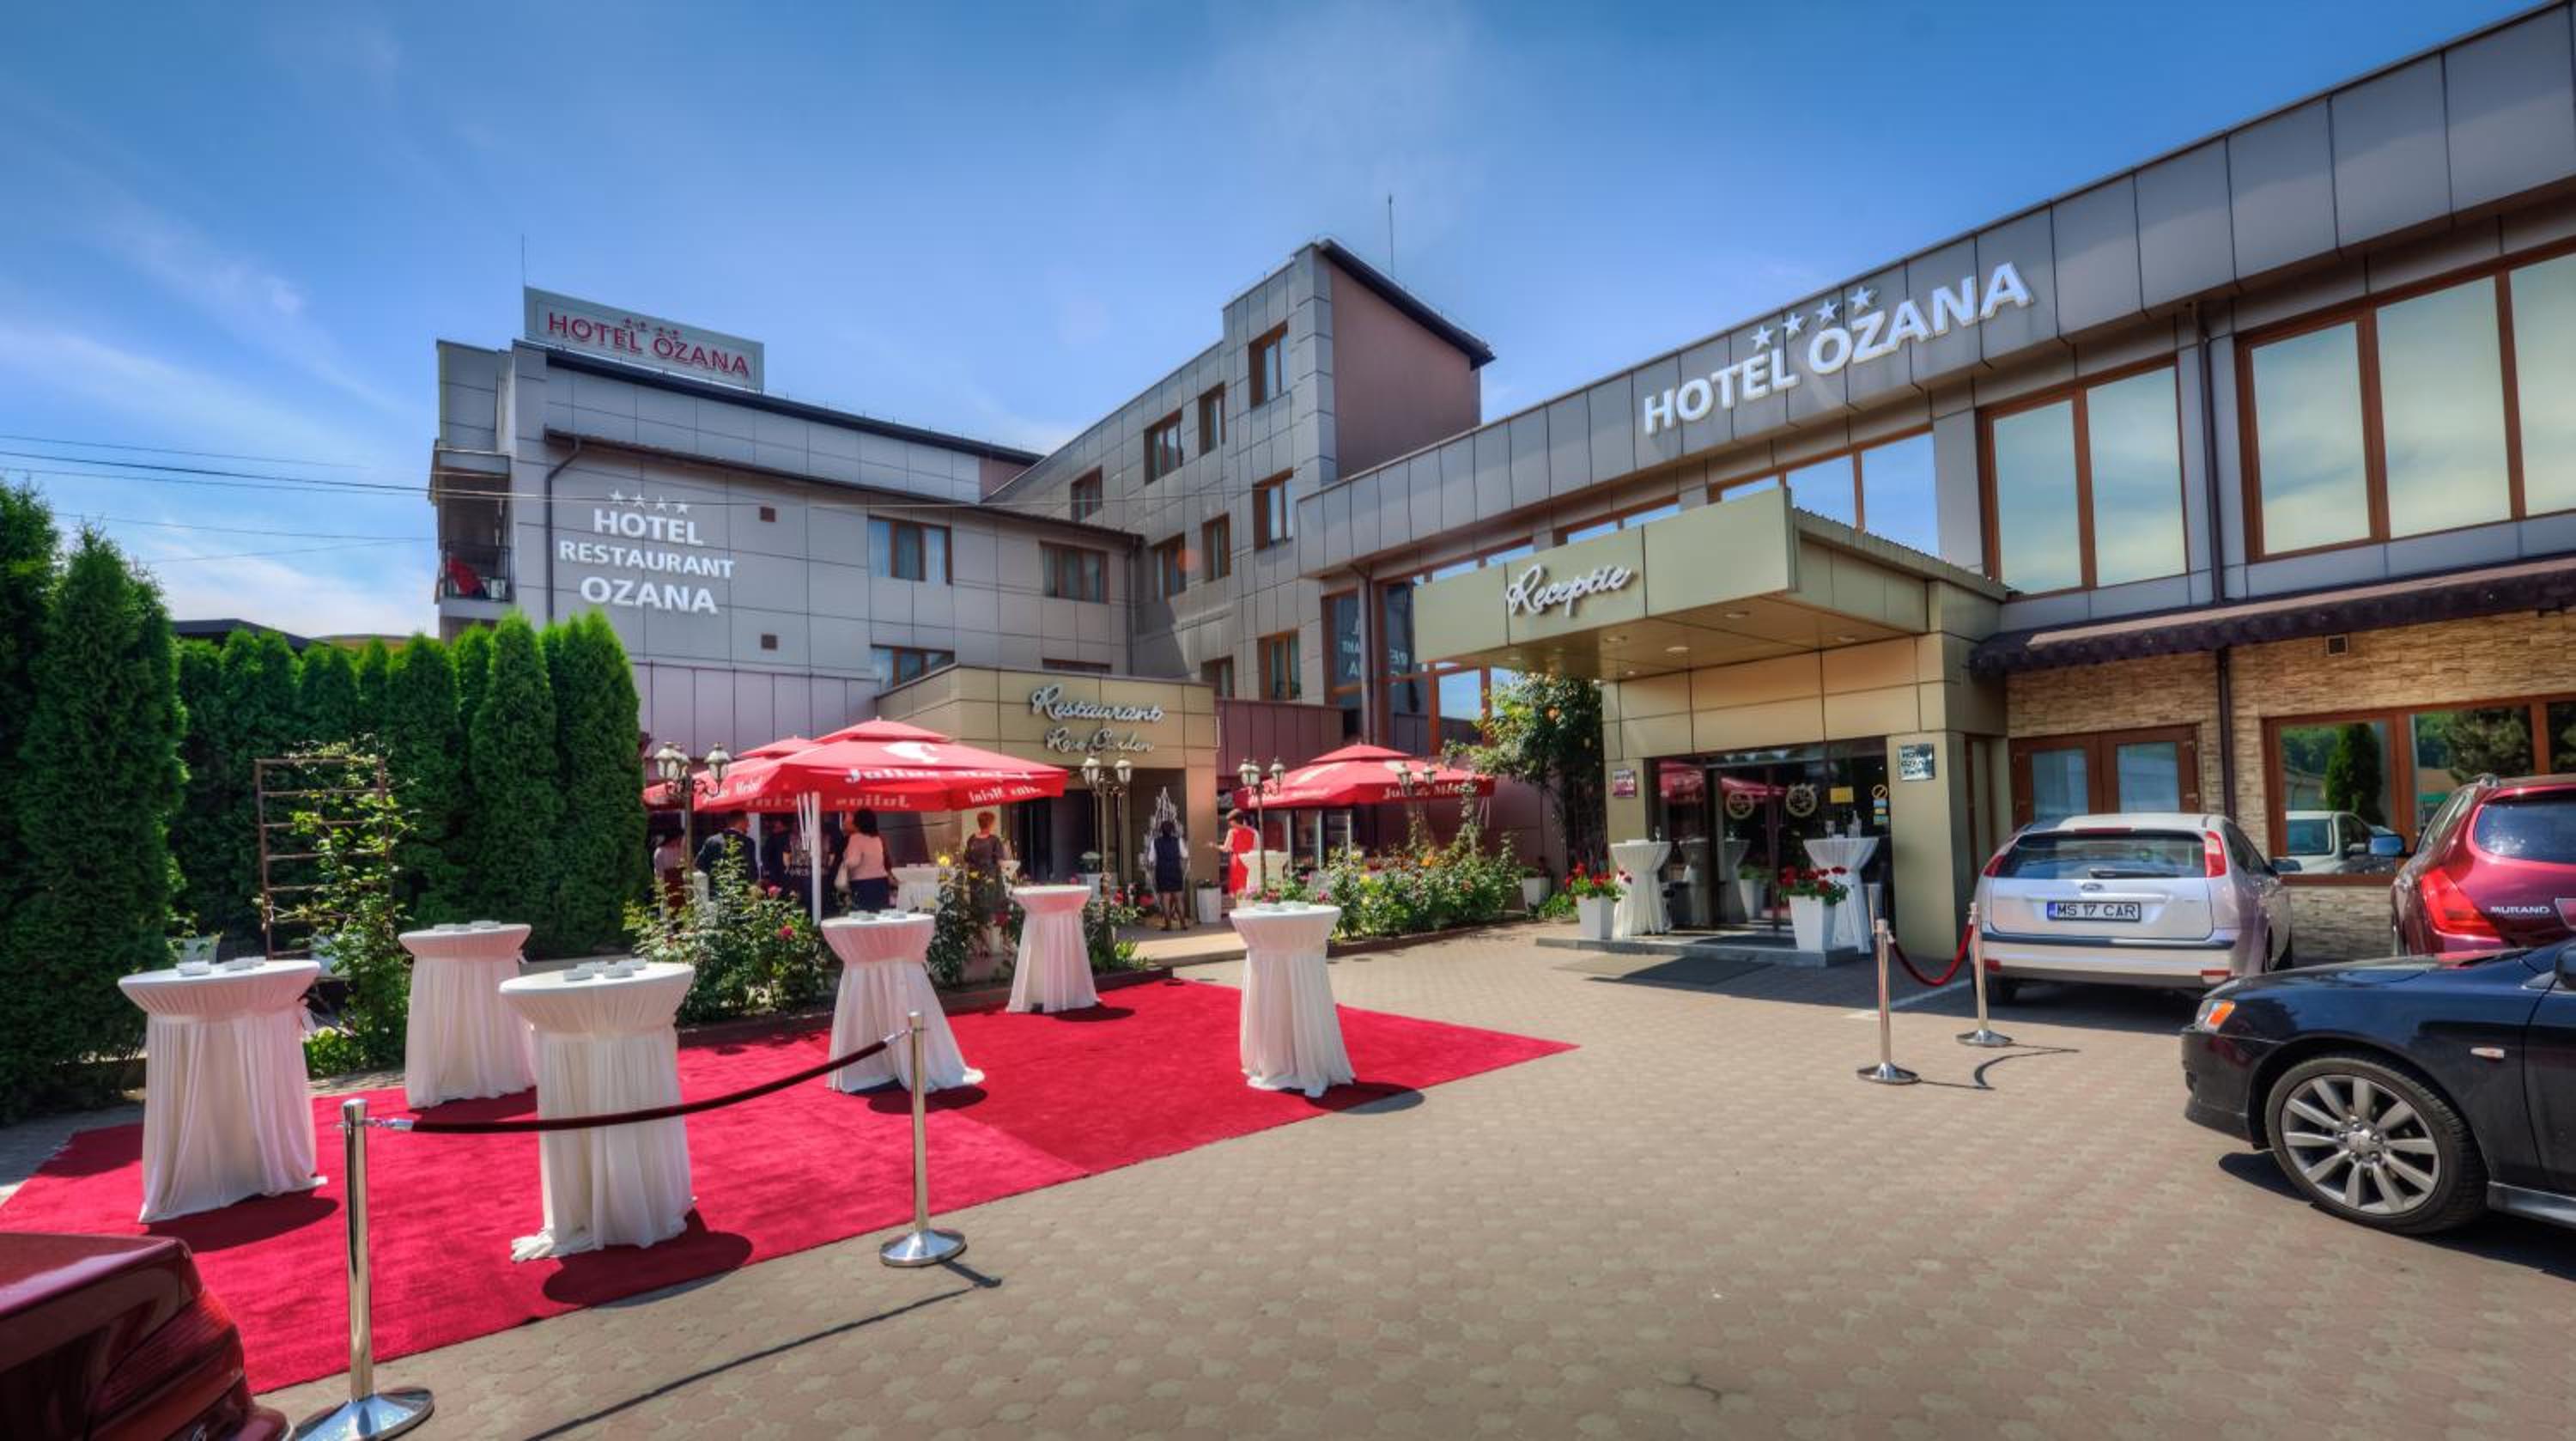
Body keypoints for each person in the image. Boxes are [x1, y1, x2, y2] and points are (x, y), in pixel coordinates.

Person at [963, 810, 1011, 952]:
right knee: (1000, 908)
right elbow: (1001, 861)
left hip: (976, 880)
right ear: (990, 823)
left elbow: (967, 859)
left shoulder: (972, 839)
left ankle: (985, 946)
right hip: (992, 879)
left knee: (980, 912)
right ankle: (1005, 942)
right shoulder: (994, 840)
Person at [839, 810, 891, 912]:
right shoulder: (877, 838)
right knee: (881, 915)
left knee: (863, 917)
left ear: (858, 822)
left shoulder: (856, 838)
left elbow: (854, 861)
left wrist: (844, 864)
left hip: (863, 884)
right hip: (881, 883)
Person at [695, 812, 756, 888]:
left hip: (716, 889)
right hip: (740, 890)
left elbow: (700, 864)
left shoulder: (712, 841)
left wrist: (714, 875)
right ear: (740, 822)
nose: (749, 825)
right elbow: (752, 870)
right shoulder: (748, 842)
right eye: (747, 821)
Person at [1212, 809, 1259, 899]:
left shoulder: (1232, 832)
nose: (1229, 823)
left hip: (1237, 861)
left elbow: (1225, 849)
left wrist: (1215, 846)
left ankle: (1238, 903)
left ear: (1234, 821)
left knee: (1237, 887)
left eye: (1230, 821)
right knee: (1247, 885)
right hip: (1248, 861)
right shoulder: (1252, 832)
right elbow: (1255, 848)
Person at [1151, 818, 1188, 929]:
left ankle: (1168, 925)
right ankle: (1183, 924)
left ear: (1161, 830)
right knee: (1179, 898)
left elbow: (1151, 858)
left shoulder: (1155, 842)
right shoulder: (1178, 840)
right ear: (1173, 830)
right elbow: (1185, 855)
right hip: (1175, 870)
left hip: (1162, 871)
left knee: (1165, 899)